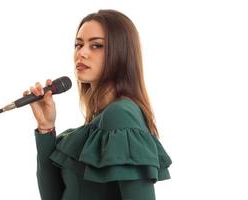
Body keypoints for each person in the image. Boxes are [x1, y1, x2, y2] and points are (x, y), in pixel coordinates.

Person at [23, 9, 172, 200]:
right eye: (78, 44)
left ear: (121, 53)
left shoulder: (121, 115)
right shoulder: (99, 122)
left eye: (97, 45)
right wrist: (45, 128)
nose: (82, 53)